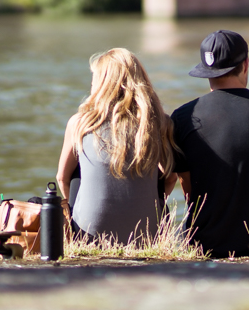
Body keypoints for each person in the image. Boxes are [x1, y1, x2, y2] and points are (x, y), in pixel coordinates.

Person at [169, 30, 249, 258]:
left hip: (207, 245)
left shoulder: (183, 118)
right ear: (245, 64)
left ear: (206, 71)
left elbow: (189, 193)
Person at [54, 48, 176, 244]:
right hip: (145, 236)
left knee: (79, 171)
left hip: (89, 235)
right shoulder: (159, 123)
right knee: (157, 173)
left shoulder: (80, 123)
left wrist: (74, 210)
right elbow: (171, 178)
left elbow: (62, 177)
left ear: (102, 85)